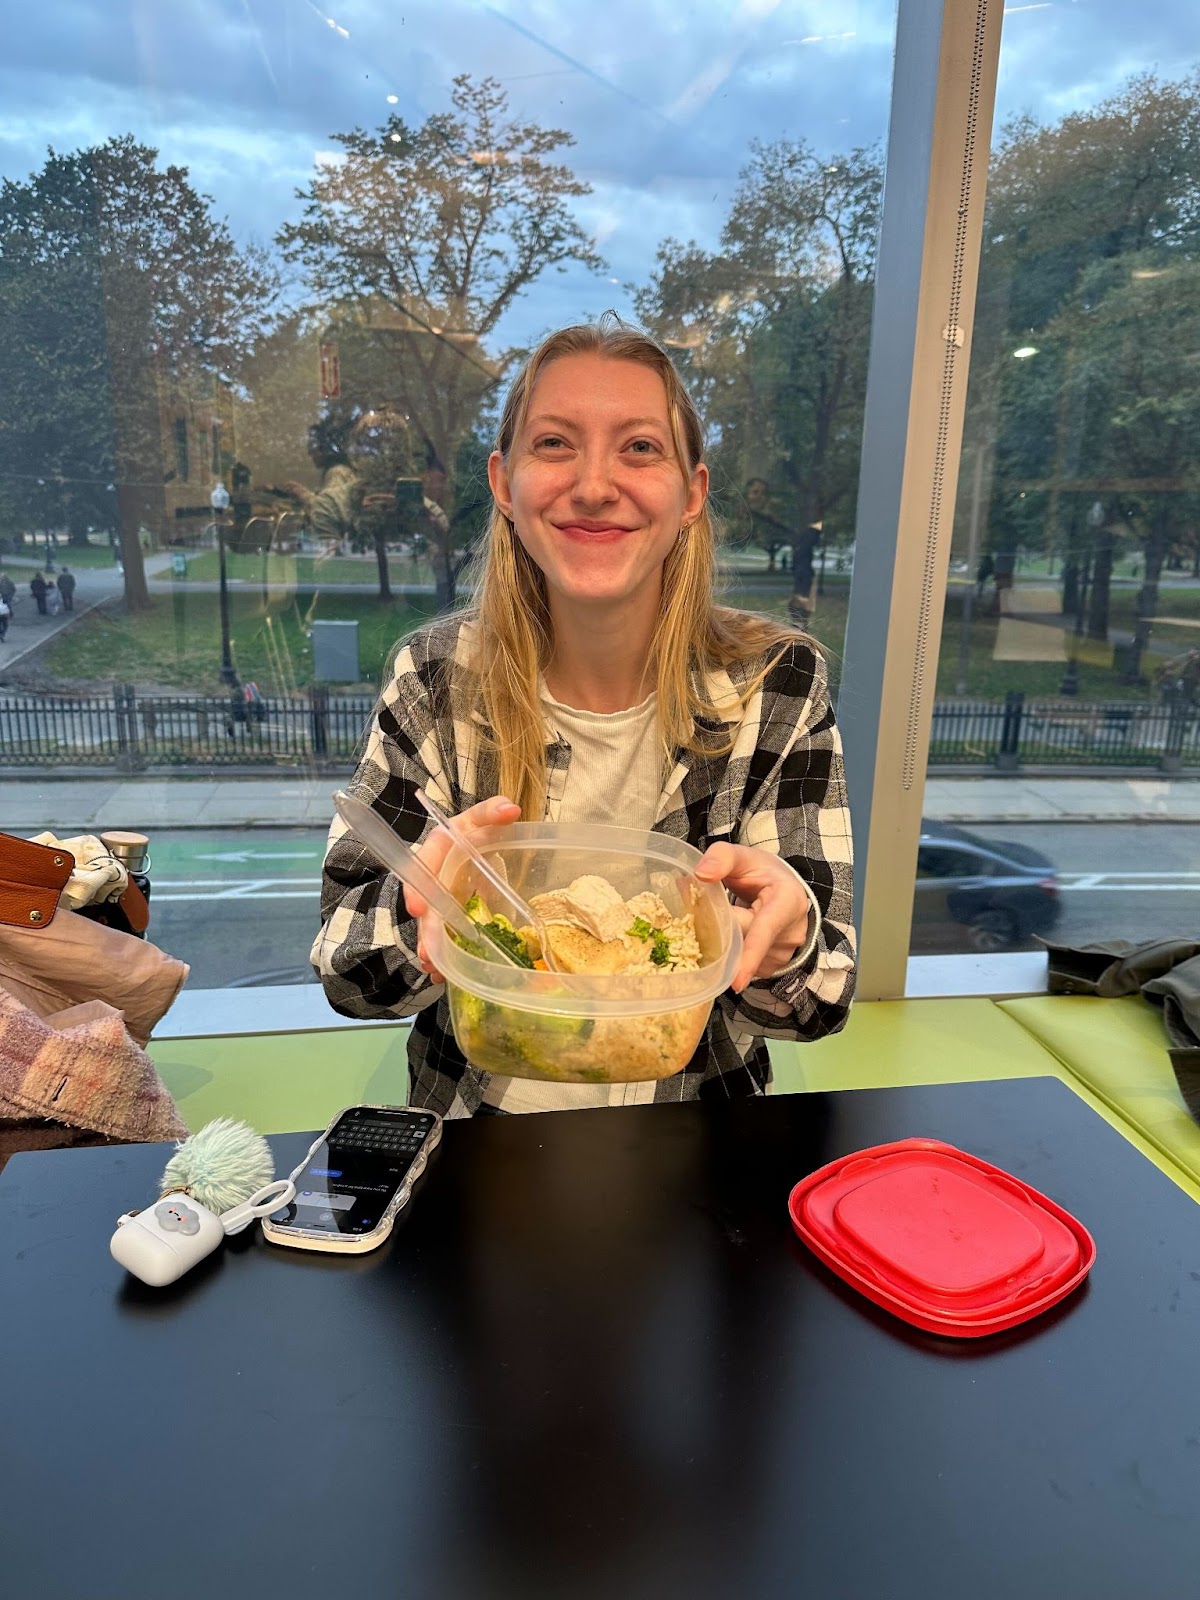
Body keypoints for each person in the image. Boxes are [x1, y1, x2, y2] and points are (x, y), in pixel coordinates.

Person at [313, 318, 856, 1117]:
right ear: (504, 483)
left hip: (701, 1148)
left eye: (640, 447)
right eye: (556, 444)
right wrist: (429, 909)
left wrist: (783, 941)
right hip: (475, 1145)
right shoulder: (434, 679)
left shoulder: (777, 685)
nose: (596, 485)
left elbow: (823, 999)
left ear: (692, 494)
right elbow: (343, 970)